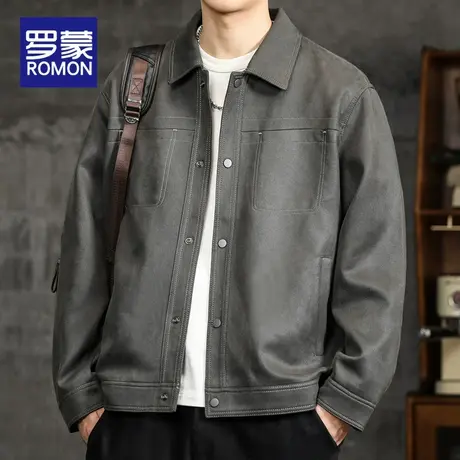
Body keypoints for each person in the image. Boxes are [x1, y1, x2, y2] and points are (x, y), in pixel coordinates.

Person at [51, 1, 406, 459]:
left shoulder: (341, 95)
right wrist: (82, 399)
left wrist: (338, 408)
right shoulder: (134, 84)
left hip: (282, 421)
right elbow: (85, 243)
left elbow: (376, 264)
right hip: (135, 419)